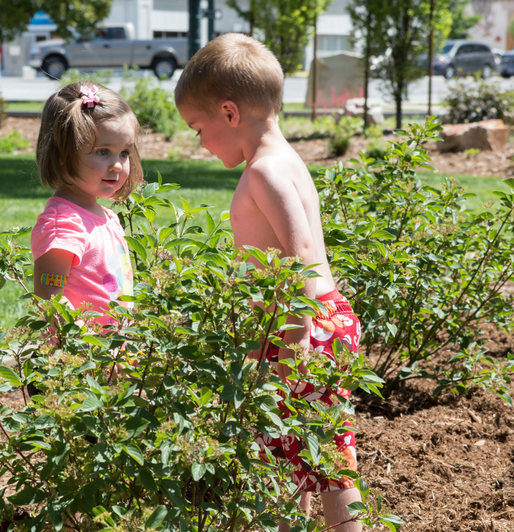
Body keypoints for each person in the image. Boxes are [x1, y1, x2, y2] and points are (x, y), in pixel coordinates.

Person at [175, 34, 364, 532]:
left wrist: (295, 338)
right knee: (288, 451)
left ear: (230, 113)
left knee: (325, 458)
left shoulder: (264, 171)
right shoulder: (284, 160)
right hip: (306, 325)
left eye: (198, 128)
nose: (199, 141)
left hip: (303, 330)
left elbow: (299, 258)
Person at [31, 81, 142, 328]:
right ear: (62, 156)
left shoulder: (105, 216)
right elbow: (50, 296)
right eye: (103, 152)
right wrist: (89, 348)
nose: (117, 165)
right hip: (84, 358)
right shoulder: (64, 225)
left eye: (124, 153)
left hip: (113, 356)